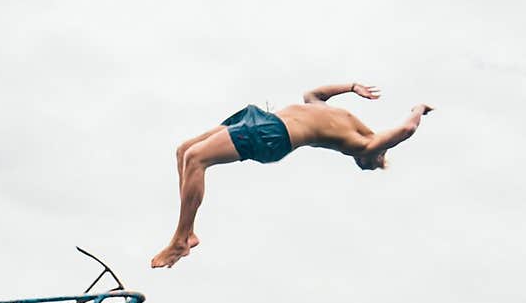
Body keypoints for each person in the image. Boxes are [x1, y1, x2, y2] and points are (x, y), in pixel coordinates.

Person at [151, 82, 433, 269]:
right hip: (263, 119)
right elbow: (314, 94)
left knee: (196, 158)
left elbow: (407, 130)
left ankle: (180, 239)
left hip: (273, 135)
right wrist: (351, 87)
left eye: (362, 163)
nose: (361, 160)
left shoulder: (363, 144)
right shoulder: (338, 115)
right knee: (184, 150)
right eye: (365, 163)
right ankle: (187, 234)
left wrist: (418, 109)